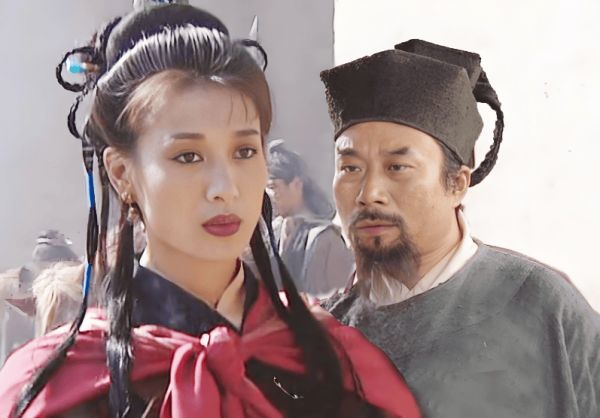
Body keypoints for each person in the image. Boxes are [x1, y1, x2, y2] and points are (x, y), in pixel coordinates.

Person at [0, 3, 420, 418]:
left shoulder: (334, 360)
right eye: (188, 156)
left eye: (244, 151)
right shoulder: (65, 387)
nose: (225, 188)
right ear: (122, 173)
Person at [320, 39, 600, 417]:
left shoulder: (540, 304)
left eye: (397, 167)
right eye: (350, 168)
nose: (369, 194)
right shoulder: (321, 331)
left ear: (456, 184)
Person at [267, 139, 354, 296]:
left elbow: (338, 302)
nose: (268, 196)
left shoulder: (326, 238)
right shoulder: (272, 232)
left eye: (273, 187)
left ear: (296, 184)